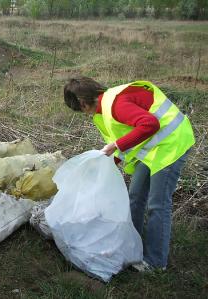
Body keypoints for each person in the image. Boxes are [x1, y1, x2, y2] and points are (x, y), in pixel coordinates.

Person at [63, 77, 194, 271]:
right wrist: (107, 162)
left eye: (81, 110)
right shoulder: (103, 112)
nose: (85, 114)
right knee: (135, 197)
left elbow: (149, 125)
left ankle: (156, 263)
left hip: (172, 143)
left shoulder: (116, 104)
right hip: (152, 149)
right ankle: (131, 245)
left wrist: (116, 146)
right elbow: (125, 138)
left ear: (83, 103)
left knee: (158, 204)